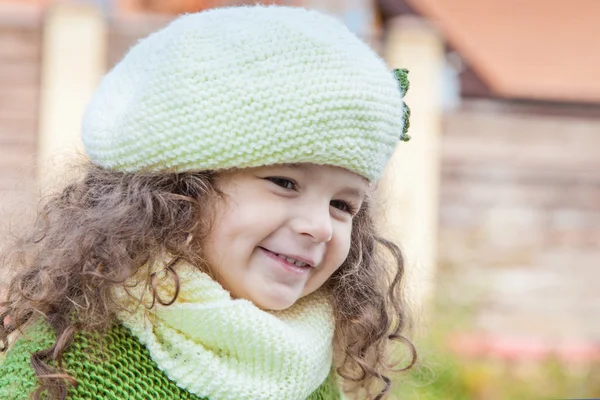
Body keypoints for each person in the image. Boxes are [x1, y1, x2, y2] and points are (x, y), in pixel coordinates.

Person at [0, 5, 416, 400]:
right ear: (177, 192)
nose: (321, 227)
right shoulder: (75, 358)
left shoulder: (308, 353)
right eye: (284, 182)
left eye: (343, 206)